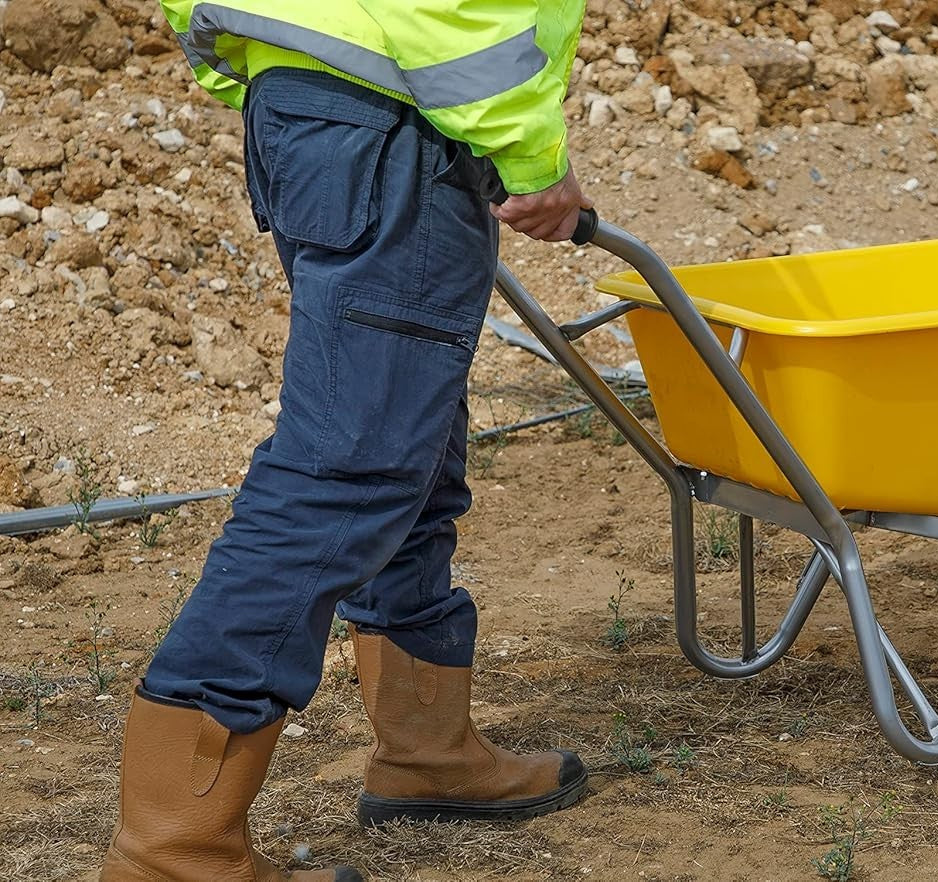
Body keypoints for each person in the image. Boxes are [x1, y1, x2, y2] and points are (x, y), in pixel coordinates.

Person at [101, 3, 592, 880]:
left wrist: (272, 62)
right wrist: (530, 157)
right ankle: (175, 847)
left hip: (317, 102)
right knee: (347, 472)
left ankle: (425, 750)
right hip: (386, 122)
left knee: (410, 445)